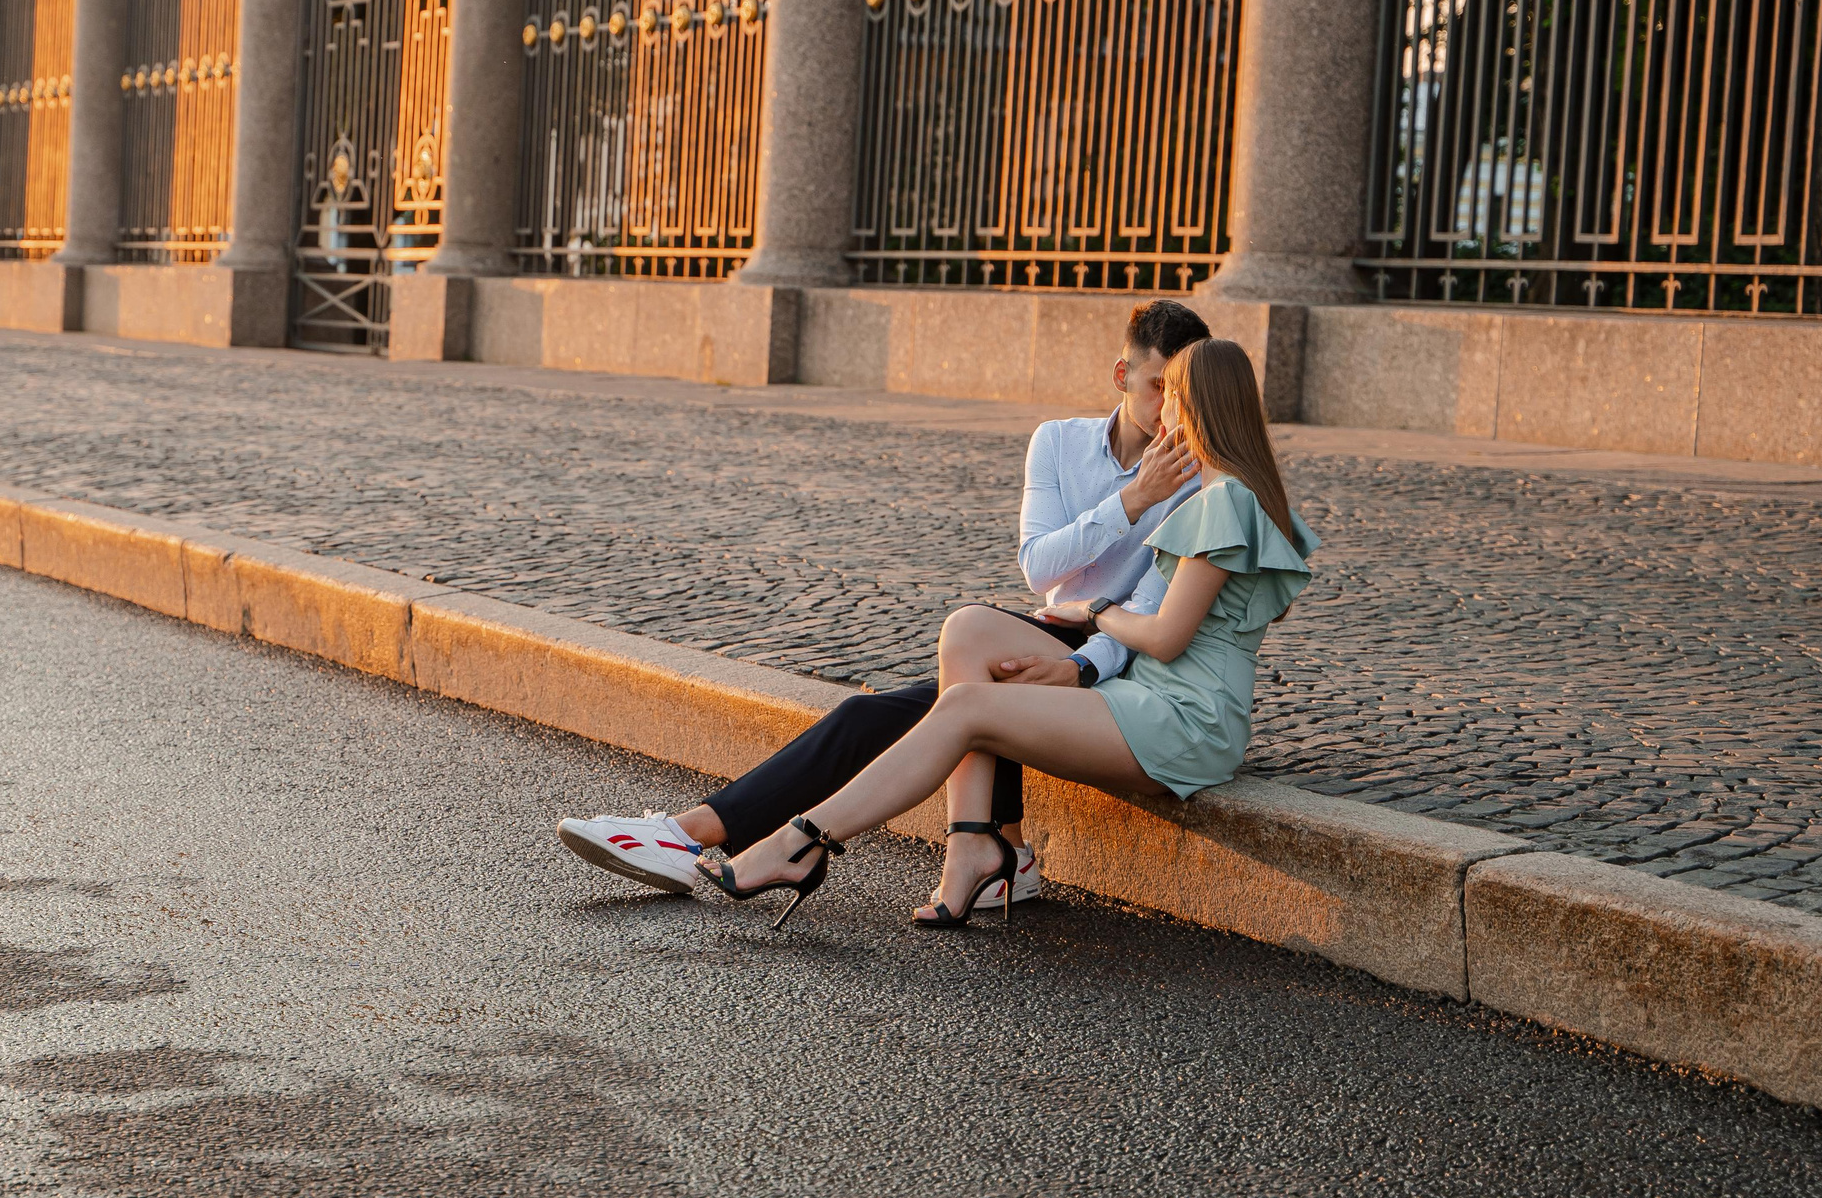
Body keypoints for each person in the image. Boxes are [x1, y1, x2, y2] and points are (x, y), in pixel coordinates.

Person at [555, 299, 1212, 909]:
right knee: (878, 707)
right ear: (1122, 374)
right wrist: (1131, 499)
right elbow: (1040, 564)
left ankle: (693, 832)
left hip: (1113, 657)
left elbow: (1153, 613)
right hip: (1040, 631)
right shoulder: (1059, 442)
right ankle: (995, 849)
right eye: (1157, 386)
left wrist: (1085, 664)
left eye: (1181, 392)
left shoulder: (1197, 480)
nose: (1168, 407)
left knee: (959, 661)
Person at [693, 337, 1317, 929]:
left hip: (1183, 720)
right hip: (1151, 700)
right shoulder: (1225, 496)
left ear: (1197, 405)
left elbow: (1164, 638)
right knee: (969, 631)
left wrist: (1095, 611)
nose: (1164, 410)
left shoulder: (1223, 502)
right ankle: (970, 848)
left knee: (964, 705)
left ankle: (801, 842)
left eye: (1172, 394)